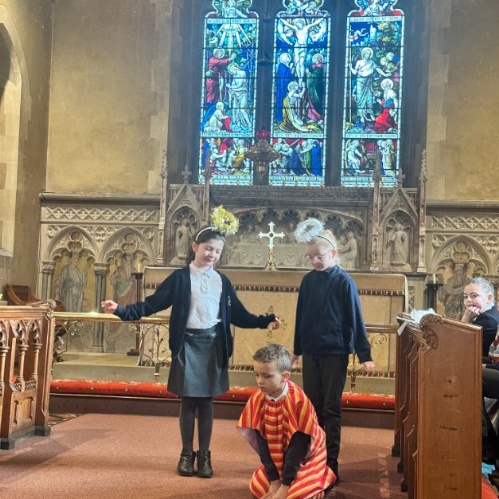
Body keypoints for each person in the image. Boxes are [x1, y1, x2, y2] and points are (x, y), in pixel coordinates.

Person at [101, 222, 280, 479]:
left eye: (217, 251)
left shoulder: (222, 281)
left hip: (213, 345)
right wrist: (121, 310)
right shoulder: (180, 278)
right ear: (195, 247)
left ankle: (205, 455)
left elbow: (239, 315)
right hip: (187, 344)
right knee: (187, 401)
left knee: (206, 402)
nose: (212, 255)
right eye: (208, 248)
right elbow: (153, 304)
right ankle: (186, 454)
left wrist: (265, 320)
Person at [291, 218, 376, 480]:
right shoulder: (307, 281)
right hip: (311, 350)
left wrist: (365, 355)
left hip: (335, 352)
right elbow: (301, 317)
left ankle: (331, 462)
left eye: (319, 256)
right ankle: (314, 457)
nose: (315, 261)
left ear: (334, 253)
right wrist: (297, 351)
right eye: (310, 257)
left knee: (330, 408)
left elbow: (355, 319)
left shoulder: (344, 282)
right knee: (313, 407)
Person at [238, 344, 336, 498]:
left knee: (296, 495)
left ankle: (323, 475)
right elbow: (262, 444)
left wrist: (285, 485)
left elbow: (299, 447)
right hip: (279, 460)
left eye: (266, 376)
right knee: (257, 487)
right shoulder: (257, 399)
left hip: (305, 459)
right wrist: (274, 481)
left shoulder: (298, 401)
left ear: (285, 376)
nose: (260, 381)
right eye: (257, 375)